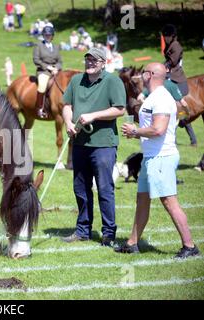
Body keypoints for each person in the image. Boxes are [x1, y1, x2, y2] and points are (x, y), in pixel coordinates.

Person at [118, 62, 200, 259]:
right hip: (151, 156)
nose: (140, 76)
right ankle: (132, 243)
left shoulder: (162, 98)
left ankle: (190, 246)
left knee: (169, 201)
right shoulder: (153, 97)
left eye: (143, 72)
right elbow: (153, 124)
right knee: (142, 199)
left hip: (161, 157)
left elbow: (158, 129)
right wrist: (137, 130)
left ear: (150, 75)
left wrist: (135, 131)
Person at [61, 47, 126, 246]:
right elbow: (66, 106)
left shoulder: (112, 81)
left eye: (94, 61)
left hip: (103, 144)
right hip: (80, 143)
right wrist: (69, 123)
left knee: (105, 188)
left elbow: (120, 109)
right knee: (80, 188)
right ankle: (83, 230)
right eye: (87, 60)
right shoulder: (75, 80)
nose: (90, 63)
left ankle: (108, 233)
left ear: (103, 63)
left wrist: (93, 115)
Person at [162, 24, 197, 146]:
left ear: (172, 36)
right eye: (164, 36)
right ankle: (191, 140)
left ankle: (175, 137)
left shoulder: (176, 45)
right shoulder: (170, 45)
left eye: (167, 36)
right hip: (169, 72)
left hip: (175, 75)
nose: (165, 38)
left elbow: (173, 61)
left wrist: (163, 67)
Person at [33, 25, 62, 119]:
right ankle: (39, 108)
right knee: (42, 86)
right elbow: (36, 60)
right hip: (43, 71)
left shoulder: (56, 47)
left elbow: (60, 61)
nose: (48, 37)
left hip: (56, 71)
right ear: (43, 36)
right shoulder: (38, 46)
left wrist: (57, 68)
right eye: (46, 35)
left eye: (49, 35)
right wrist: (48, 67)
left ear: (52, 36)